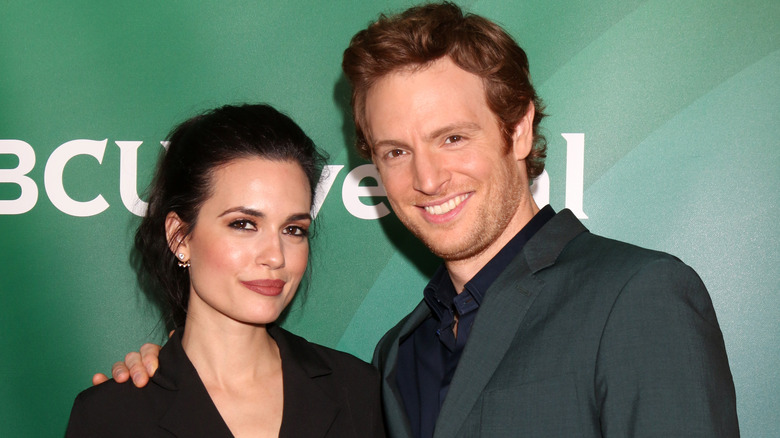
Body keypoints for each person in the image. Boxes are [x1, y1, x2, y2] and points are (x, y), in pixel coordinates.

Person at [101, 3, 740, 437]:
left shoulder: (637, 296)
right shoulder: (397, 354)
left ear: (517, 131)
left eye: (453, 138)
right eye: (396, 152)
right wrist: (170, 382)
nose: (427, 179)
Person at [68, 104, 384, 437]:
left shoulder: (357, 390)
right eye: (244, 224)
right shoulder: (112, 416)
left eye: (293, 229)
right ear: (180, 237)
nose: (275, 256)